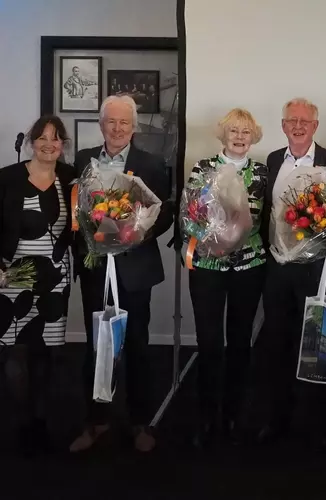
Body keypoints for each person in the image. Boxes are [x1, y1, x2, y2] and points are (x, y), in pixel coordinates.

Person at [68, 95, 173, 453]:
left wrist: (136, 233)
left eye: (124, 123)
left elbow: (165, 214)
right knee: (96, 345)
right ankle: (96, 421)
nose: (117, 129)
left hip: (134, 269)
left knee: (139, 347)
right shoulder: (83, 160)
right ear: (101, 125)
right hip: (96, 268)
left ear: (134, 127)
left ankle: (139, 422)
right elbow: (75, 212)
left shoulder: (152, 163)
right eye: (111, 122)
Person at [254, 98, 326, 449]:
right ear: (283, 126)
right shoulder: (270, 161)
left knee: (319, 345)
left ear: (315, 125)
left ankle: (319, 423)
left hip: (317, 269)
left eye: (304, 121)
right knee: (277, 343)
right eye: (291, 120)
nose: (298, 126)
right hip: (278, 268)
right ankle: (278, 418)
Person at [184, 108, 267, 449]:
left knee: (239, 343)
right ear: (223, 134)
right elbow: (191, 215)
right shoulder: (203, 169)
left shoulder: (262, 173)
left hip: (249, 267)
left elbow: (267, 218)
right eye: (233, 130)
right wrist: (211, 243)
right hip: (208, 268)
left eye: (245, 131)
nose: (239, 136)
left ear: (253, 137)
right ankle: (207, 416)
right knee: (209, 343)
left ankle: (234, 414)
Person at [0, 115, 75, 455]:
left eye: (56, 138)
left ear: (63, 145)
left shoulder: (70, 178)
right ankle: (21, 420)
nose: (49, 144)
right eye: (42, 137)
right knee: (16, 351)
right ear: (31, 142)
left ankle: (41, 420)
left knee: (46, 352)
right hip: (14, 273)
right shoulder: (8, 177)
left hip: (55, 276)